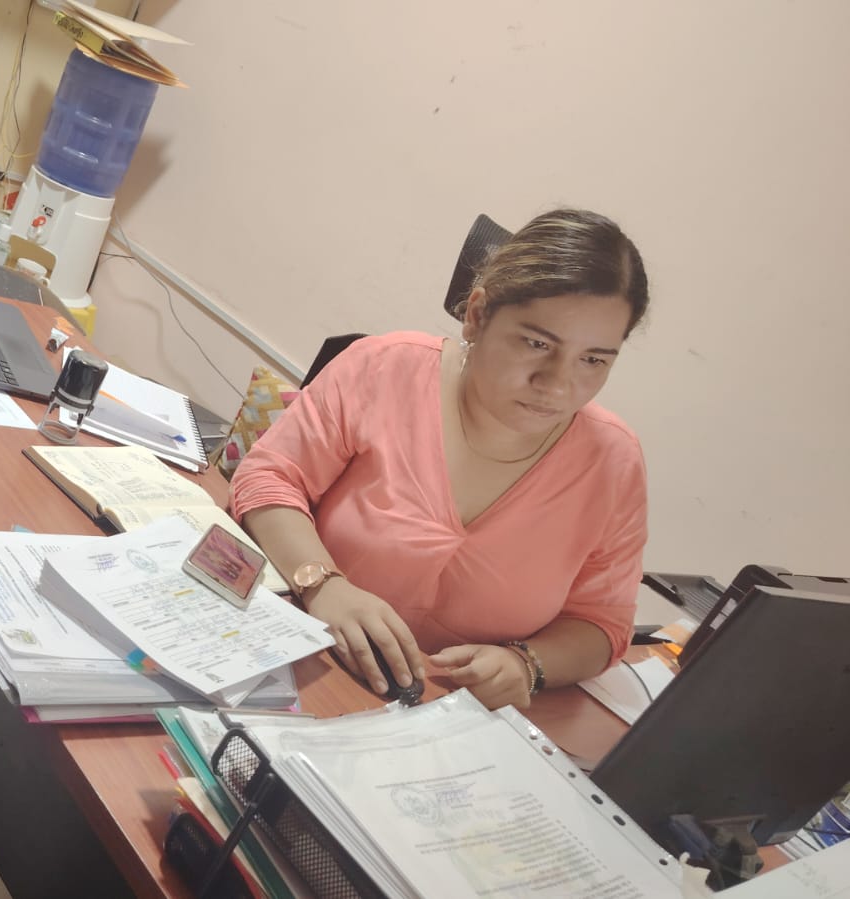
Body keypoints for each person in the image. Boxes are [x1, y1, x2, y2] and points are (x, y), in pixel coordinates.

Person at [232, 209, 650, 711]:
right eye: (537, 343)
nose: (558, 384)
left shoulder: (613, 463)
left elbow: (602, 620)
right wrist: (324, 585)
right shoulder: (386, 368)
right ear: (477, 315)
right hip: (302, 664)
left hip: (449, 718)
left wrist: (527, 664)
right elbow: (270, 478)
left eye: (593, 359)